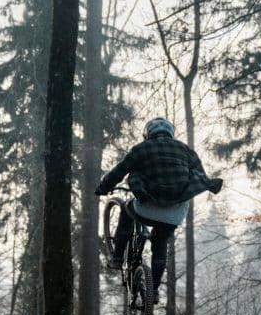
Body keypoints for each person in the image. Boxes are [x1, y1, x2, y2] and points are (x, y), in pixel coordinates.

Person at [94, 117, 223, 303]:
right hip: (174, 213)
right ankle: (153, 290)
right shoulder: (186, 151)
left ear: (148, 134)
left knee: (125, 210)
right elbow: (201, 175)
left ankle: (116, 258)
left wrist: (103, 188)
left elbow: (119, 171)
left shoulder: (141, 149)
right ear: (171, 133)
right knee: (160, 243)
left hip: (147, 208)